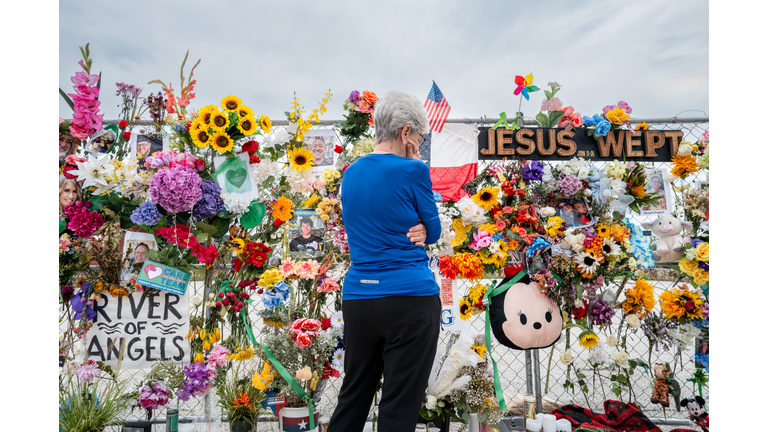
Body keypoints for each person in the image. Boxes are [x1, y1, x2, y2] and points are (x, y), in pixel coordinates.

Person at [328, 90, 441, 432]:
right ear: (406, 133)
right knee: (397, 407)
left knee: (353, 396)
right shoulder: (413, 170)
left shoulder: (350, 173)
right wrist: (417, 164)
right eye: (418, 136)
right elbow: (433, 230)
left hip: (360, 298)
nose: (418, 143)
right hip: (409, 299)